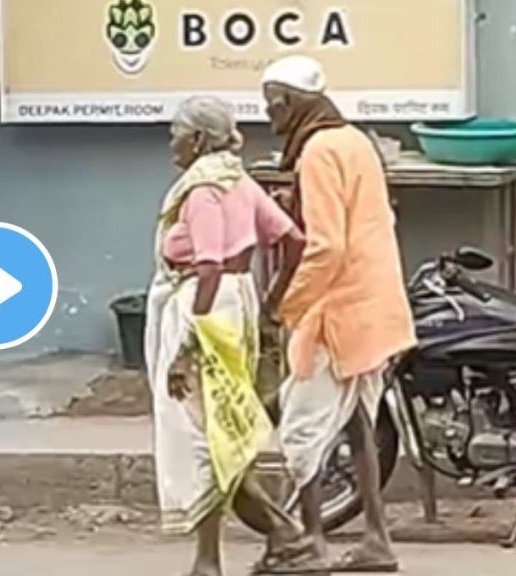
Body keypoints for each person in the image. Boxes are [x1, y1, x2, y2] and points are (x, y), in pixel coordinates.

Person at [259, 55, 417, 573]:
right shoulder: (354, 142)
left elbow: (325, 247)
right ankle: (377, 540)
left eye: (270, 103)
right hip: (374, 311)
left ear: (288, 102)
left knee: (302, 433)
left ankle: (310, 546)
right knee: (357, 427)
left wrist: (285, 305)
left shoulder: (319, 152)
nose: (268, 114)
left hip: (337, 314)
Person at [144, 96, 309, 576]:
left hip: (206, 307)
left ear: (197, 139)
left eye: (176, 131)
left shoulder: (204, 191)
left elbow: (210, 265)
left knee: (204, 436)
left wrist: (187, 346)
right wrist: (271, 302)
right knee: (220, 432)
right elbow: (292, 240)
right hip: (236, 304)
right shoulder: (239, 180)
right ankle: (211, 557)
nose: (171, 139)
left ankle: (280, 536)